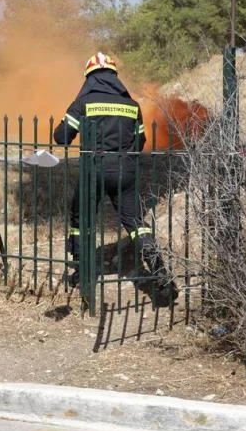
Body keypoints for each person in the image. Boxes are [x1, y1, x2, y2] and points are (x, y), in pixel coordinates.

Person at [53, 52, 178, 308]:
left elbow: (62, 137)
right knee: (135, 223)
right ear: (114, 78)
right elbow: (141, 141)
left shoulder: (84, 102)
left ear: (89, 78)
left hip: (94, 169)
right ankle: (160, 273)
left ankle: (81, 271)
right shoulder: (131, 106)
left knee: (81, 218)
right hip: (126, 171)